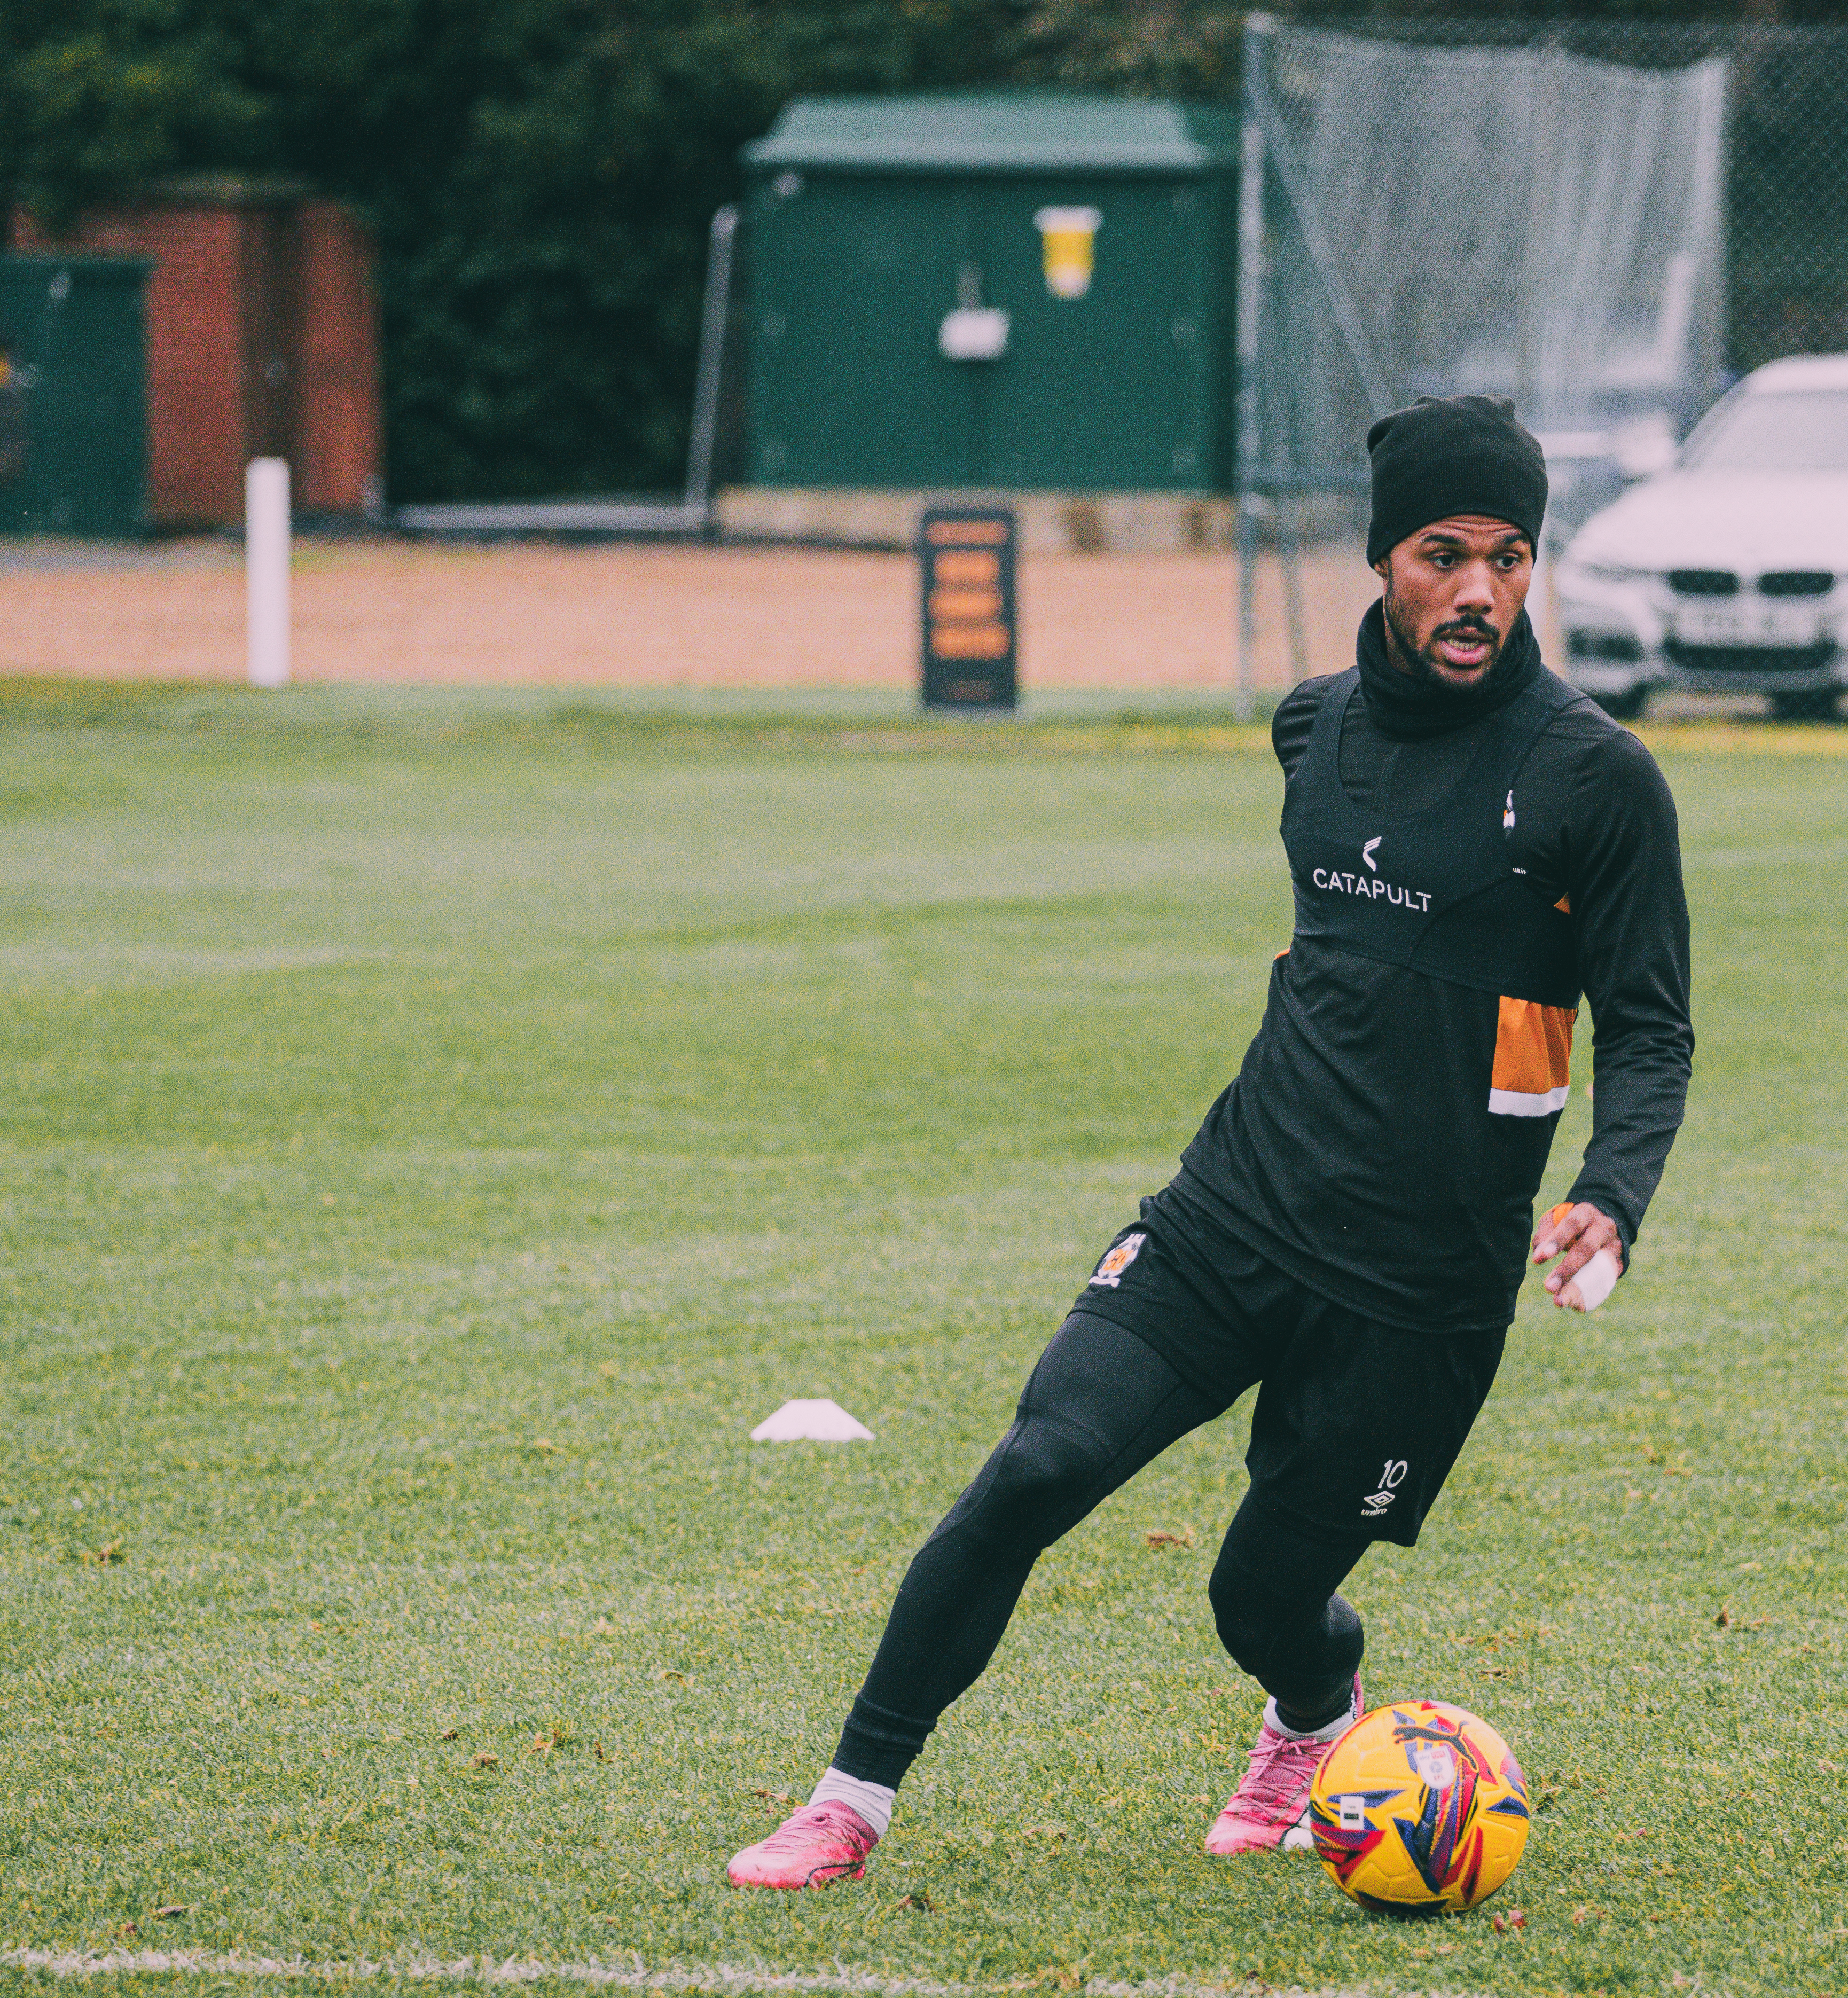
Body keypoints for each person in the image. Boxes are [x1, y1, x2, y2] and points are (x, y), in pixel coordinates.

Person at [724, 395, 1694, 1889]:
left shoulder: (1594, 779)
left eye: (1511, 557)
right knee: (1038, 1469)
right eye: (1446, 554)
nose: (1483, 592)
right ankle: (851, 1801)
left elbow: (1648, 1023)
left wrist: (1611, 1195)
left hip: (1419, 1284)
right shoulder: (1314, 727)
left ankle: (1315, 1713)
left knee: (1261, 1600)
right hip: (1232, 1213)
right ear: (1384, 560)